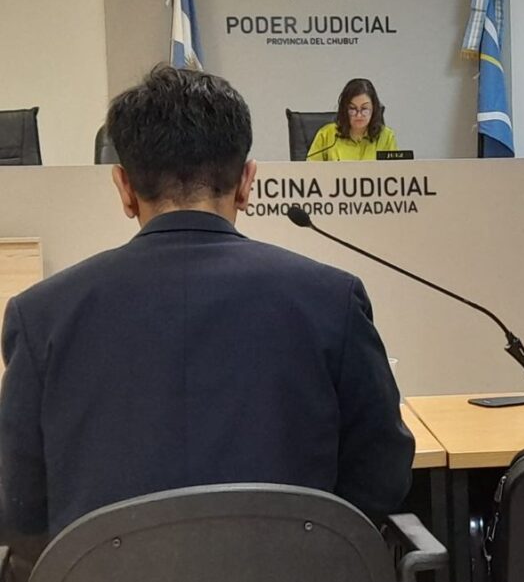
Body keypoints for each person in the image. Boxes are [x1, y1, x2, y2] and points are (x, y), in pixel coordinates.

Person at [0, 66, 414, 564]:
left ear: (124, 187)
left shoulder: (40, 316)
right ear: (246, 182)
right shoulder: (332, 300)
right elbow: (383, 477)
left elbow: (20, 513)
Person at [307, 78, 398, 161]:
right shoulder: (326, 135)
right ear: (344, 110)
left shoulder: (386, 136)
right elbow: (309, 170)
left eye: (364, 109)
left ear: (374, 109)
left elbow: (395, 170)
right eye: (352, 109)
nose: (359, 115)